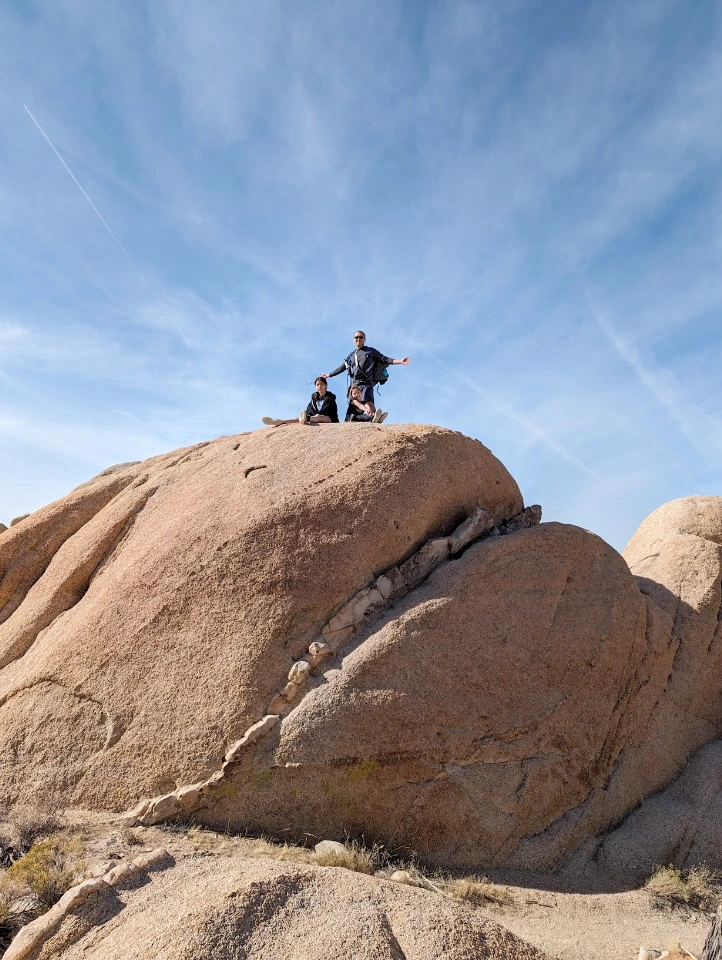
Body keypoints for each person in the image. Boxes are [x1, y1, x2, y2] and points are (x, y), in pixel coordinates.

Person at [319, 330, 411, 413]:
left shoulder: (370, 351)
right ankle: (370, 415)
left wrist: (400, 361)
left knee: (368, 402)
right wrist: (328, 375)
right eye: (356, 337)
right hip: (355, 384)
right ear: (353, 340)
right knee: (353, 401)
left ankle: (374, 415)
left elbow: (385, 359)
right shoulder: (351, 356)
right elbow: (342, 368)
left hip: (367, 382)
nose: (358, 339)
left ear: (364, 339)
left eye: (360, 337)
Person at [262, 377, 339, 427]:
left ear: (326, 385)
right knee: (298, 418)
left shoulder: (330, 397)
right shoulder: (314, 398)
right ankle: (279, 421)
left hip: (329, 419)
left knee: (318, 417)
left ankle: (307, 418)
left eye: (322, 384)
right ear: (315, 386)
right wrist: (308, 415)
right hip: (313, 417)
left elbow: (327, 409)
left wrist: (314, 415)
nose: (319, 386)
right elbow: (310, 409)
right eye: (317, 384)